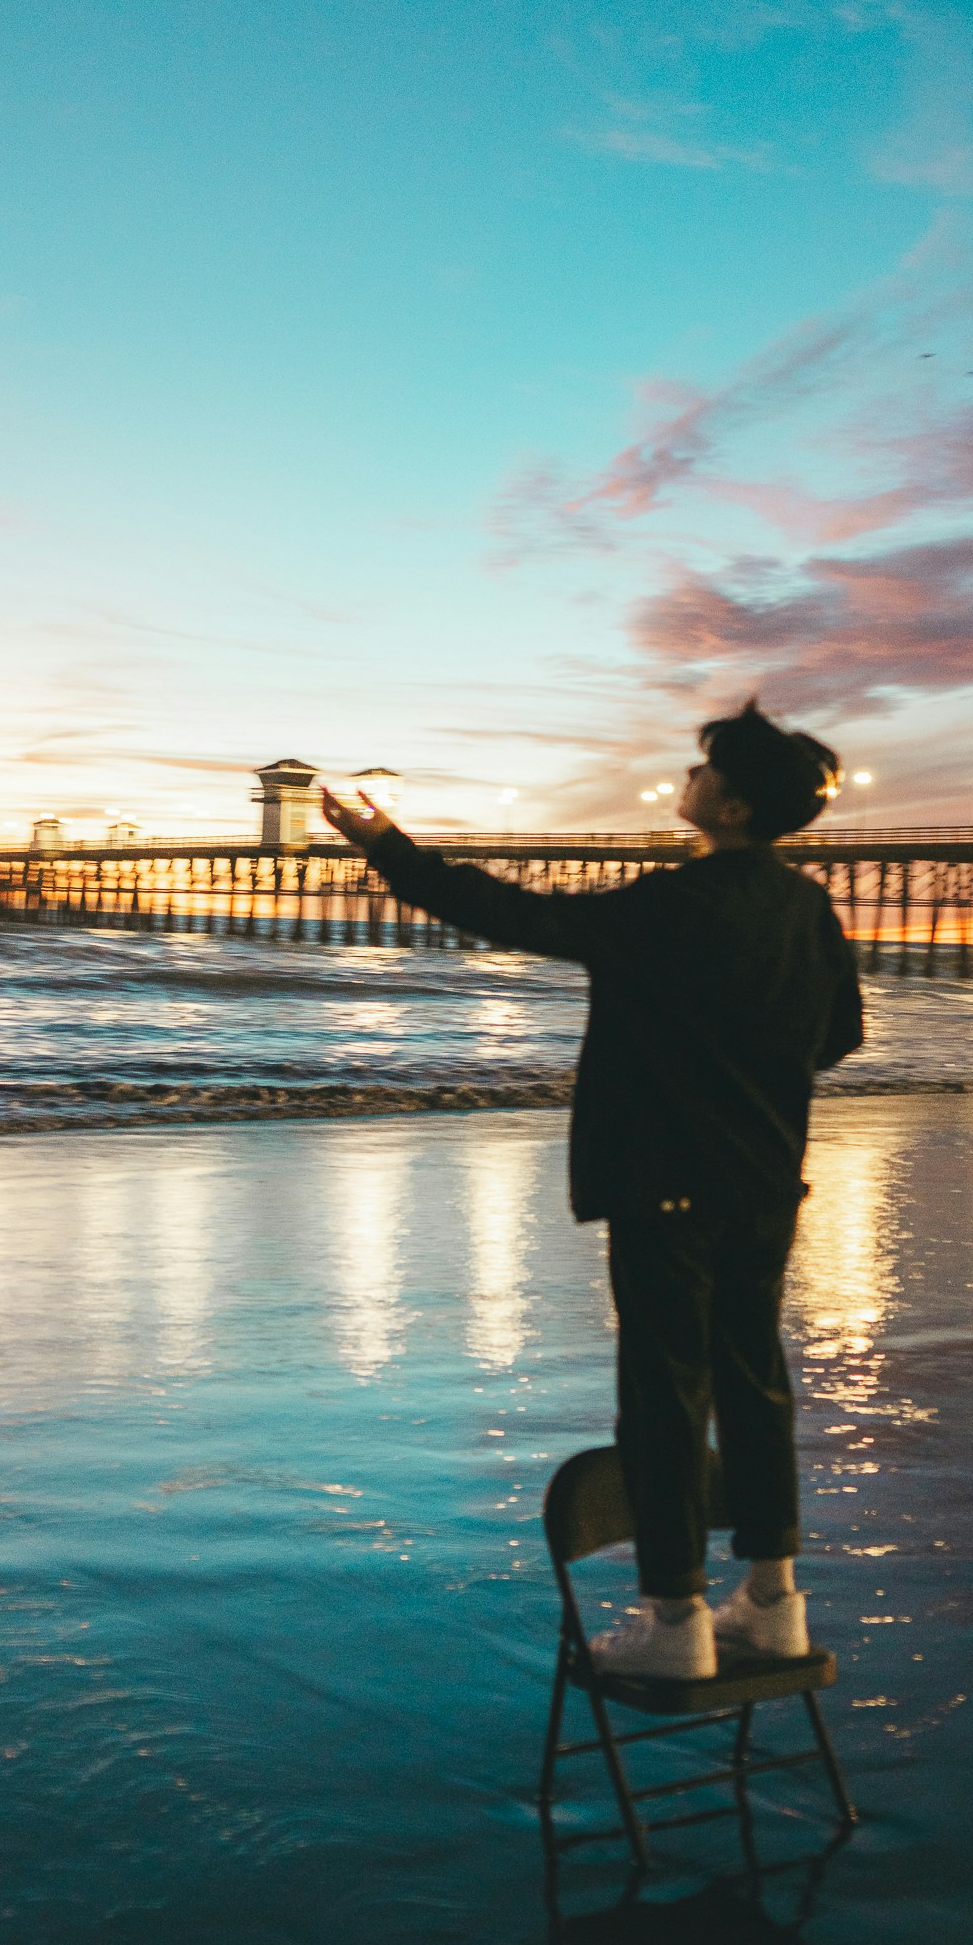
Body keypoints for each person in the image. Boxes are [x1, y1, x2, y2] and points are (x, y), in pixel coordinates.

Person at [321, 702, 862, 1681]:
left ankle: (675, 1615)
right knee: (753, 1382)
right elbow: (839, 1036)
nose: (684, 784)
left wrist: (386, 847)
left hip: (667, 1186)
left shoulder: (674, 904)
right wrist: (750, 1071)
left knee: (663, 1397)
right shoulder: (808, 908)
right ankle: (774, 1600)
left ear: (731, 806)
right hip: (767, 1185)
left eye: (699, 774)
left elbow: (518, 916)